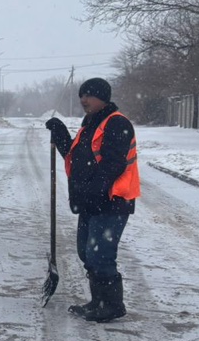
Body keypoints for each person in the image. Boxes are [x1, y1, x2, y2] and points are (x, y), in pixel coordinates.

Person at [45, 77, 140, 322]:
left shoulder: (117, 123)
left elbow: (113, 165)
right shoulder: (91, 124)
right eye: (82, 95)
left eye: (89, 95)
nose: (83, 100)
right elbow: (77, 159)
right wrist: (61, 132)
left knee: (101, 254)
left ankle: (111, 305)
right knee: (86, 253)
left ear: (102, 98)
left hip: (112, 201)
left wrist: (94, 191)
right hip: (92, 202)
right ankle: (98, 301)